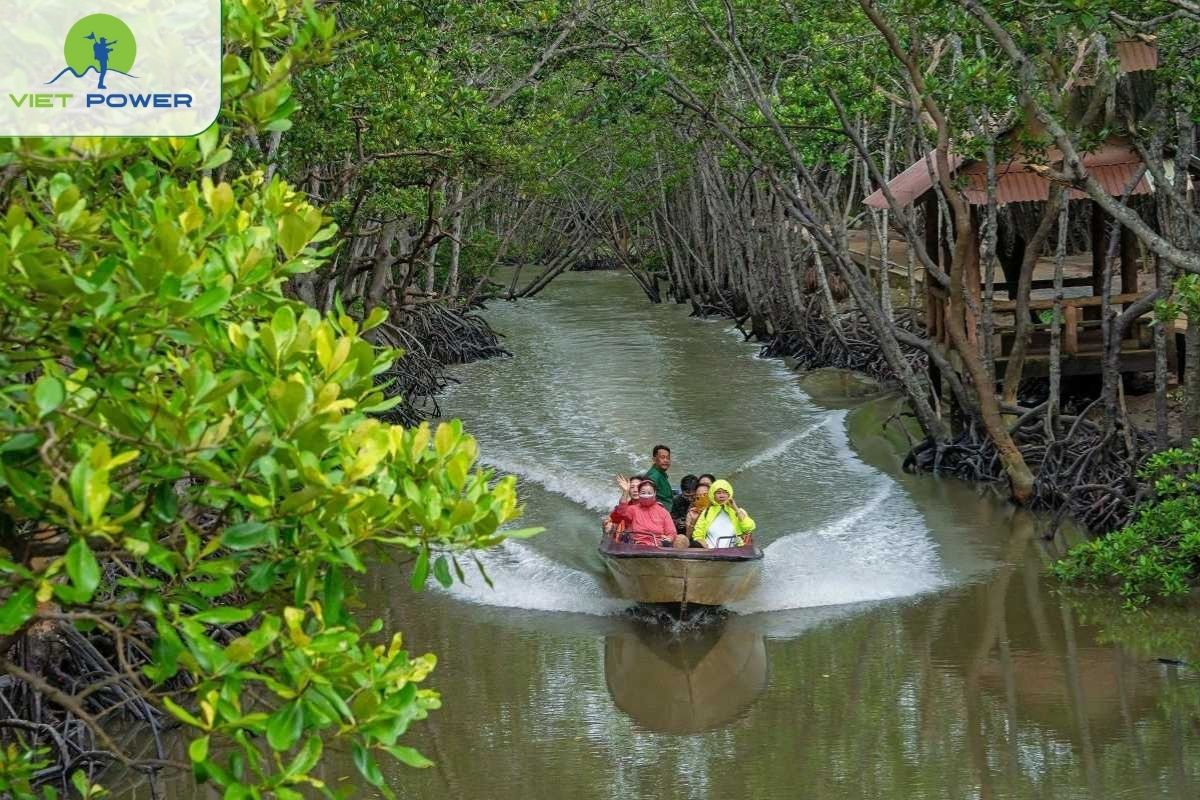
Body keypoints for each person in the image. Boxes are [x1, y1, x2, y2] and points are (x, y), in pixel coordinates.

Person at [609, 477, 686, 548]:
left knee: (681, 539)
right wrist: (625, 492)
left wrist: (669, 538)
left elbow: (671, 532)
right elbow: (620, 513)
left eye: (649, 493)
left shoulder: (663, 511)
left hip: (658, 546)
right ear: (639, 493)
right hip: (636, 546)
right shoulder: (632, 509)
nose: (646, 495)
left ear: (655, 493)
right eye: (643, 492)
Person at [692, 480, 755, 549]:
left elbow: (749, 528)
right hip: (710, 552)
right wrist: (703, 544)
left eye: (725, 493)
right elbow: (697, 535)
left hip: (734, 551)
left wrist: (735, 508)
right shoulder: (706, 512)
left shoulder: (739, 511)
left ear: (729, 494)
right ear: (713, 495)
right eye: (718, 493)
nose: (722, 496)